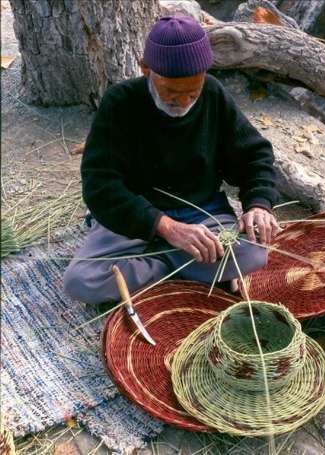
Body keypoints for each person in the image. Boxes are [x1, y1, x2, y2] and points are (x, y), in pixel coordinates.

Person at [63, 15, 281, 305]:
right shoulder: (120, 103)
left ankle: (166, 264)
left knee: (255, 254)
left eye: (193, 92)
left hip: (201, 216)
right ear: (145, 69)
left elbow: (254, 155)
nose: (183, 102)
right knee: (82, 281)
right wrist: (167, 228)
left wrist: (258, 204)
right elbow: (99, 186)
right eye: (171, 92)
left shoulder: (213, 94)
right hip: (137, 219)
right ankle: (183, 267)